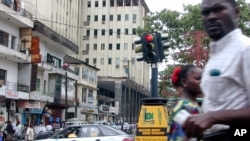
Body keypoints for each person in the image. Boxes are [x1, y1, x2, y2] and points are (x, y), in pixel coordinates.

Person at [182, 0, 250, 140]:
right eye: (205, 12)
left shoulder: (245, 49)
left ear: (236, 12)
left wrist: (213, 117)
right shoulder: (216, 56)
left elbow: (213, 117)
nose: (211, 16)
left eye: (219, 9)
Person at [168, 64, 203, 141]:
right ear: (184, 82)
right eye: (198, 79)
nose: (202, 82)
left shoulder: (194, 104)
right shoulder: (185, 106)